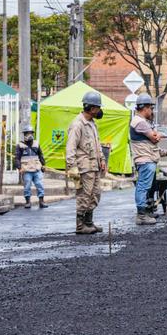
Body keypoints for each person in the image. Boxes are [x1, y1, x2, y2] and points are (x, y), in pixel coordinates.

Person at [66, 90, 107, 235]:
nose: (99, 110)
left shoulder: (92, 123)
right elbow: (70, 148)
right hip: (84, 168)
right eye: (98, 107)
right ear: (92, 108)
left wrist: (102, 159)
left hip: (94, 166)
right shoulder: (78, 124)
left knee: (95, 195)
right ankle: (80, 225)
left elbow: (97, 144)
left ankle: (89, 222)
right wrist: (72, 168)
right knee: (84, 195)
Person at [130, 93, 164, 226]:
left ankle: (145, 212)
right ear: (144, 108)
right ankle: (141, 216)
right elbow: (154, 138)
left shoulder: (140, 122)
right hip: (145, 160)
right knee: (143, 187)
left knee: (144, 187)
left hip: (147, 159)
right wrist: (159, 134)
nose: (152, 111)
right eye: (150, 108)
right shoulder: (140, 122)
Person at [13, 127, 47, 209]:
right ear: (24, 135)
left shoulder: (36, 144)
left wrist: (43, 165)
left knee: (40, 185)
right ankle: (28, 202)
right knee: (27, 186)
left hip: (37, 169)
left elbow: (40, 155)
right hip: (26, 170)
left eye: (31, 133)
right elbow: (16, 158)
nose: (29, 135)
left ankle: (41, 201)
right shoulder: (20, 146)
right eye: (27, 133)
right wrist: (19, 168)